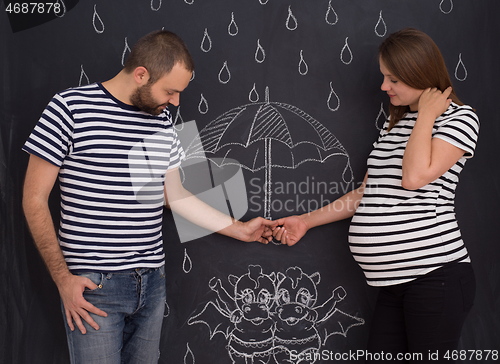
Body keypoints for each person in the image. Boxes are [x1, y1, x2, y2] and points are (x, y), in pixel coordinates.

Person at [22, 30, 275, 364]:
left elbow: (175, 195)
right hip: (94, 286)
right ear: (141, 74)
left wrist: (241, 229)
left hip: (152, 280)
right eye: (170, 91)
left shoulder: (163, 119)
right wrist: (63, 279)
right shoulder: (69, 108)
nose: (176, 102)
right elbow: (34, 198)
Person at [272, 28, 479, 363]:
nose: (384, 87)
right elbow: (367, 192)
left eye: (393, 79)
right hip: (394, 285)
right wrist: (306, 221)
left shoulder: (460, 119)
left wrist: (426, 113)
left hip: (435, 278)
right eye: (384, 77)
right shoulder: (394, 124)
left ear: (420, 75)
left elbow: (414, 178)